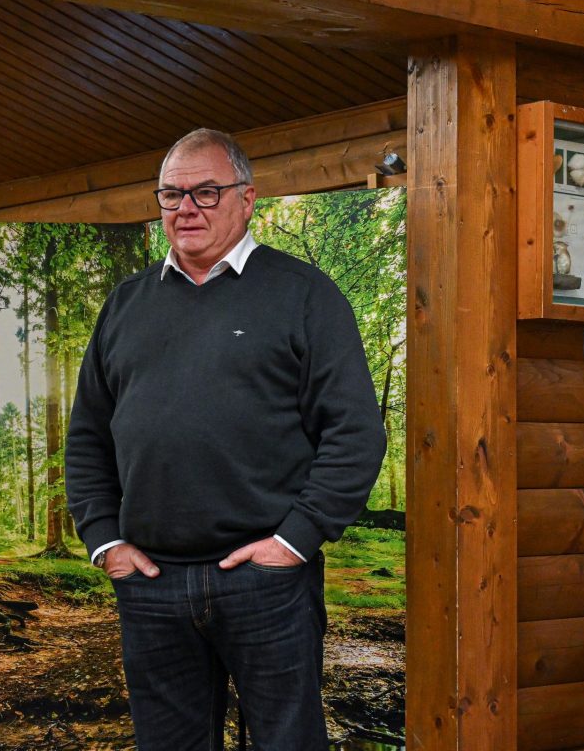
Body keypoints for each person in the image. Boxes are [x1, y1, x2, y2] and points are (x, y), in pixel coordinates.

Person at [65, 128, 387, 750]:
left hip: (267, 583)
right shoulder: (125, 305)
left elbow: (354, 433)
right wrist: (106, 541)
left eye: (205, 192)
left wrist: (296, 540)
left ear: (247, 199)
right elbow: (87, 437)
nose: (185, 208)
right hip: (151, 585)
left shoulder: (304, 295)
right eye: (170, 194)